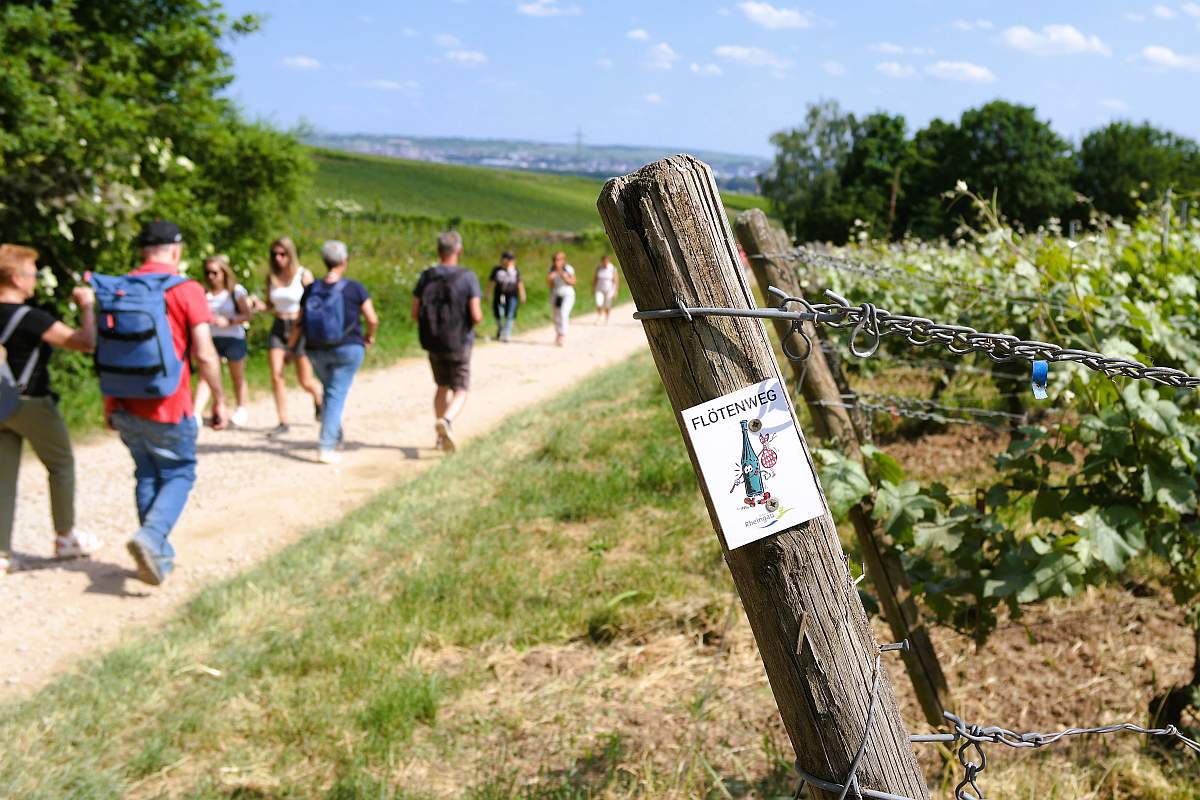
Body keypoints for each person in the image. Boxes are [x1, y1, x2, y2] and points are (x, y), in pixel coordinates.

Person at [100, 220, 227, 586]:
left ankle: (158, 555)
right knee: (179, 473)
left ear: (143, 251)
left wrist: (109, 404)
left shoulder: (119, 287)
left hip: (124, 401)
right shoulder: (186, 289)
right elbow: (205, 354)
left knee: (146, 473)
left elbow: (109, 349)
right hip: (169, 403)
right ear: (176, 250)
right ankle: (152, 539)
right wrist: (219, 399)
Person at [0, 245, 99, 574]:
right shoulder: (32, 318)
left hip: (1, 404)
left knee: (3, 478)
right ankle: (65, 537)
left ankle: (1, 553)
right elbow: (85, 342)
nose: (36, 280)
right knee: (61, 464)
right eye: (32, 274)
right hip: (31, 402)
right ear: (16, 278)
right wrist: (86, 307)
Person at [291, 240, 377, 464]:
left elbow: (298, 323)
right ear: (344, 262)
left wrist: (291, 348)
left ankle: (336, 436)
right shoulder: (354, 288)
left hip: (315, 349)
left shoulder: (311, 289)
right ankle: (326, 446)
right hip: (348, 348)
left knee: (330, 391)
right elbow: (372, 319)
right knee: (335, 394)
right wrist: (369, 336)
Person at [412, 230, 482, 453]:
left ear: (438, 251)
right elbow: (477, 315)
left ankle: (440, 439)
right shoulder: (468, 277)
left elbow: (415, 312)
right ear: (458, 250)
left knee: (441, 386)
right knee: (460, 388)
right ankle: (447, 422)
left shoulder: (426, 276)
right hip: (459, 341)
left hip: (433, 341)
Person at [264, 237, 322, 439]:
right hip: (279, 327)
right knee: (276, 374)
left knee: (304, 380)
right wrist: (256, 306)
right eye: (275, 255)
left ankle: (318, 396)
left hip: (300, 327)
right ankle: (283, 420)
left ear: (290, 254)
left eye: (283, 254)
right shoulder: (271, 278)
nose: (279, 258)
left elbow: (314, 303)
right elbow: (270, 305)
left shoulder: (303, 275)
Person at [194, 254, 252, 427]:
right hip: (212, 338)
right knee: (207, 376)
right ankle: (196, 412)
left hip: (233, 337)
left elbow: (247, 314)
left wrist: (229, 321)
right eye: (208, 273)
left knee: (237, 375)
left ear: (223, 273)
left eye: (214, 273)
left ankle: (241, 407)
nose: (211, 277)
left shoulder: (236, 292)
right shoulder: (204, 293)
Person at [488, 251, 525, 342]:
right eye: (508, 259)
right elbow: (491, 282)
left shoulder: (515, 270)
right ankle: (501, 328)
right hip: (501, 296)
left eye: (511, 259)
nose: (510, 261)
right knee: (500, 312)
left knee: (510, 313)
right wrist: (488, 293)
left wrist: (522, 294)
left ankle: (507, 333)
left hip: (512, 295)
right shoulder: (497, 270)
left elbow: (520, 283)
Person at [547, 250, 576, 346]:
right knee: (556, 316)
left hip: (567, 295)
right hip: (556, 294)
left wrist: (565, 277)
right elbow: (550, 285)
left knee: (563, 313)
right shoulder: (551, 270)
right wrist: (550, 279)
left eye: (559, 259)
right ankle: (558, 333)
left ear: (564, 260)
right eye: (555, 259)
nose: (557, 261)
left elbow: (573, 282)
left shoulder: (568, 269)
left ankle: (563, 335)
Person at [592, 254, 620, 325]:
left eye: (607, 260)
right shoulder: (599, 268)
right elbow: (595, 279)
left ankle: (607, 318)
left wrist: (615, 290)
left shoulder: (612, 268)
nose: (605, 262)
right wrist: (593, 288)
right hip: (599, 289)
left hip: (609, 289)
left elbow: (616, 280)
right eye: (604, 260)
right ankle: (599, 316)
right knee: (599, 303)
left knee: (607, 304)